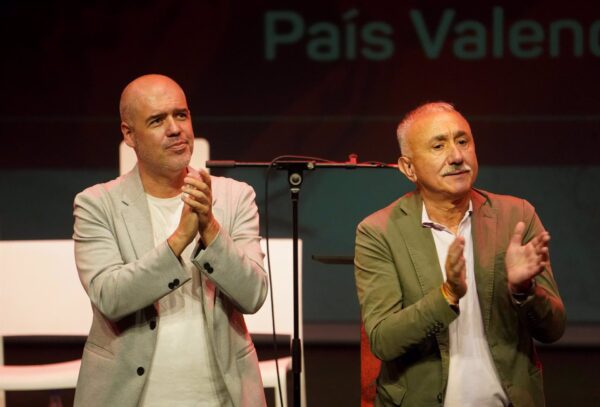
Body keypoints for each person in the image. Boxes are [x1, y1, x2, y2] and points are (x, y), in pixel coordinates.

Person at [73, 74, 268, 406]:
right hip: (130, 397)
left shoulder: (234, 197)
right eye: (157, 120)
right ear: (129, 135)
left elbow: (253, 295)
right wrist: (179, 240)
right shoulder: (97, 204)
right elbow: (111, 297)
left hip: (221, 395)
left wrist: (210, 229)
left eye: (181, 115)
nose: (176, 129)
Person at [354, 102, 566, 406]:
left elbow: (553, 329)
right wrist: (447, 294)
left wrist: (524, 290)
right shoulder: (379, 231)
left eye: (463, 141)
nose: (456, 156)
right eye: (438, 146)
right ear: (408, 168)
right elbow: (383, 341)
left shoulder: (517, 216)